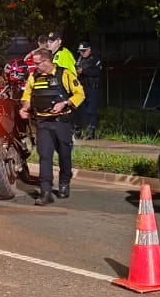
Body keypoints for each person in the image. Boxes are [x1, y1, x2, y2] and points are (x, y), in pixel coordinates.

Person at [21, 46, 83, 205]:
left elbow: (80, 94)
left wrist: (65, 103)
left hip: (61, 122)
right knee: (45, 157)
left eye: (38, 63)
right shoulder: (34, 76)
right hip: (42, 123)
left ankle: (64, 183)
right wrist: (25, 107)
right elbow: (27, 95)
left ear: (47, 61)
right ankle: (46, 191)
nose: (35, 67)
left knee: (64, 154)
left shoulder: (64, 74)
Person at [74, 42, 102, 138]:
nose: (82, 53)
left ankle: (91, 130)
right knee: (79, 109)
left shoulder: (95, 59)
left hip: (92, 87)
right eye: (80, 51)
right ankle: (78, 129)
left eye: (84, 51)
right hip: (82, 87)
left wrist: (84, 71)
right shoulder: (79, 59)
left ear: (89, 50)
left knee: (92, 110)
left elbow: (97, 72)